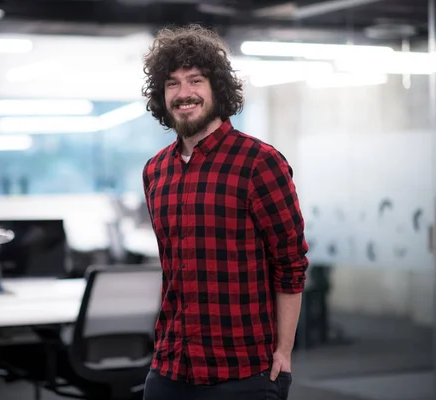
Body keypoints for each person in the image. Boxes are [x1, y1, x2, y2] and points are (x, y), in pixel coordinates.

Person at [140, 25, 309, 400]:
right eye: (172, 83)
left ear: (217, 87)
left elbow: (291, 264)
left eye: (195, 80)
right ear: (161, 95)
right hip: (169, 368)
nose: (184, 93)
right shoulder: (155, 171)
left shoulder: (259, 162)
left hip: (242, 371)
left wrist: (283, 351)